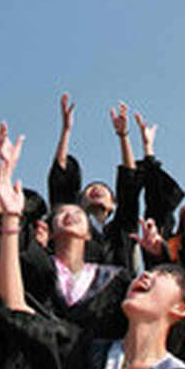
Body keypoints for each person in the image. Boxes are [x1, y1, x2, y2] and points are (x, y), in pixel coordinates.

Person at [0, 128, 185, 369]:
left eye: (162, 274)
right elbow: (18, 308)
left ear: (181, 308)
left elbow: (129, 201)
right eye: (148, 271)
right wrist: (10, 220)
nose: (145, 274)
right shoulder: (88, 354)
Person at [47, 96, 145, 268]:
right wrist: (66, 130)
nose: (97, 189)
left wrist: (123, 136)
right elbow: (60, 178)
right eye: (91, 189)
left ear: (113, 205)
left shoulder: (120, 230)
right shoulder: (68, 223)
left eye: (103, 189)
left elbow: (130, 182)